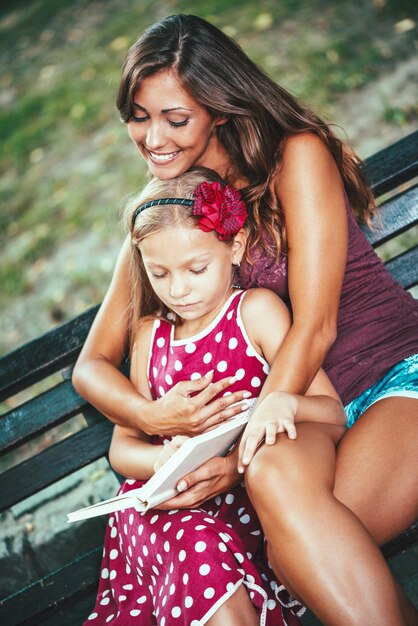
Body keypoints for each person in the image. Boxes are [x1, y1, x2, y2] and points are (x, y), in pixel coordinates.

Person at [72, 13, 418, 625]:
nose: (154, 138)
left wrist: (237, 461)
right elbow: (92, 365)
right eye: (138, 116)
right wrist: (152, 415)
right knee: (291, 529)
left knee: (297, 549)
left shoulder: (294, 157)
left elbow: (315, 326)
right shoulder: (168, 212)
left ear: (220, 109)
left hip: (391, 380)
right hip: (296, 424)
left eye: (176, 119)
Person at [84, 168, 347, 626]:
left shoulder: (256, 313)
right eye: (159, 273)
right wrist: (166, 460)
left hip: (245, 507)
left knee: (208, 552)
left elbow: (331, 413)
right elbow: (122, 449)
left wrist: (287, 404)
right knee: (193, 547)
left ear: (236, 248)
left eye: (196, 269)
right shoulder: (150, 336)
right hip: (164, 510)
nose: (178, 289)